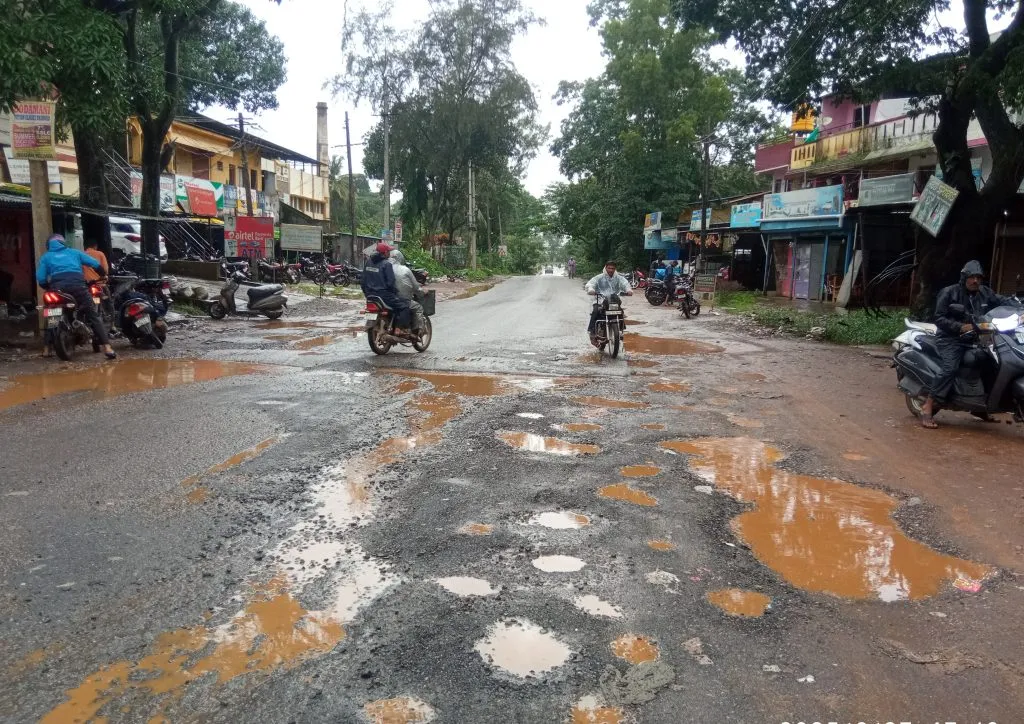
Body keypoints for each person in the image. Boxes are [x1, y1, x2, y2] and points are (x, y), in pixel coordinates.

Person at [919, 260, 1018, 429]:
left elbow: (1002, 301)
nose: (975, 281)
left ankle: (980, 406)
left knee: (993, 364)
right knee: (950, 368)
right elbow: (939, 318)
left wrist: (1019, 305)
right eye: (972, 277)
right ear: (964, 277)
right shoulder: (950, 292)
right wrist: (960, 327)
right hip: (951, 339)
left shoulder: (985, 293)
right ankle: (928, 405)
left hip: (976, 339)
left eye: (978, 278)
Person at [36, 234, 115, 359]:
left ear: (48, 245)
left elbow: (41, 278)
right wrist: (102, 274)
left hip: (57, 290)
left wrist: (48, 287)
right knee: (93, 315)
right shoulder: (74, 253)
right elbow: (94, 264)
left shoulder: (46, 257)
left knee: (51, 315)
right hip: (77, 288)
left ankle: (46, 349)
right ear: (63, 243)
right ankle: (107, 347)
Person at [361, 242, 412, 334]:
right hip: (384, 295)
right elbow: (390, 283)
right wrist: (395, 292)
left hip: (370, 295)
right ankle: (399, 328)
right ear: (384, 253)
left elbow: (363, 281)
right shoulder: (386, 264)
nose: (389, 253)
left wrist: (367, 293)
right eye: (388, 251)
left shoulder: (368, 262)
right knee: (404, 306)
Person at [585, 261, 633, 346]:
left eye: (613, 268)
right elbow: (590, 283)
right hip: (600, 299)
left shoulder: (618, 278)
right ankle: (592, 332)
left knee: (620, 312)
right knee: (596, 311)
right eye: (609, 268)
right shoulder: (599, 277)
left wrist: (628, 290)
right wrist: (591, 289)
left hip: (613, 300)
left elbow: (625, 284)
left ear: (615, 269)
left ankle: (621, 331)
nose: (611, 270)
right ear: (605, 268)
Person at [388, 249, 426, 333]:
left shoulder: (385, 267)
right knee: (418, 307)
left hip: (387, 299)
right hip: (402, 299)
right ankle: (419, 330)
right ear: (400, 259)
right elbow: (416, 286)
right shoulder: (405, 270)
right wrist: (422, 292)